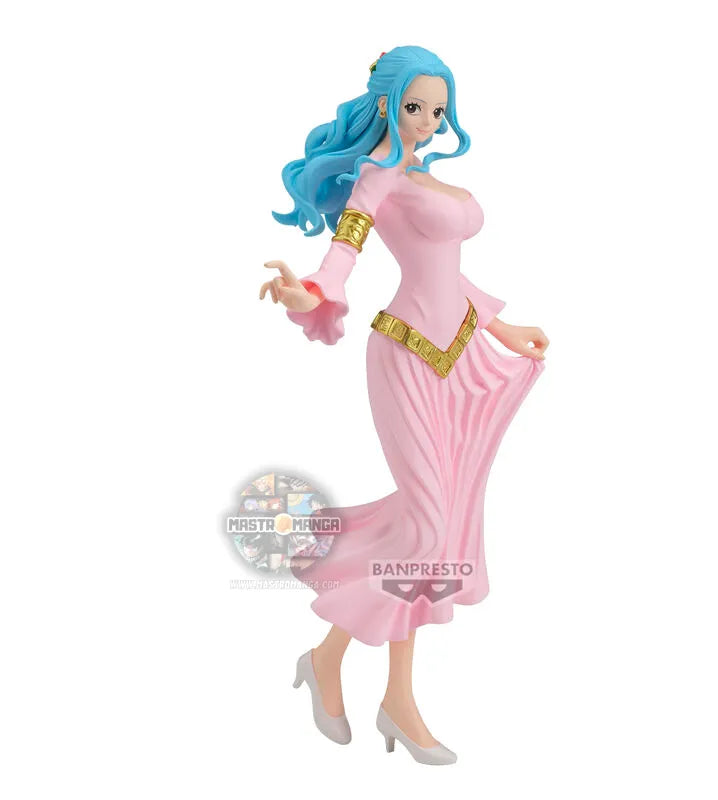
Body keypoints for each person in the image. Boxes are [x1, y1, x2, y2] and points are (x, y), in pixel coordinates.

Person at [262, 45, 549, 765]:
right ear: (388, 103)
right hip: (406, 358)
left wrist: (502, 326)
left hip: (460, 357)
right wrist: (309, 293)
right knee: (426, 531)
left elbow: (447, 273)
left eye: (438, 109)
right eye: (415, 106)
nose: (427, 120)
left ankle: (357, 675)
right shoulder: (378, 177)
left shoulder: (424, 177)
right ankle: (377, 687)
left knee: (438, 533)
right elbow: (344, 251)